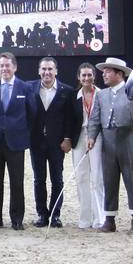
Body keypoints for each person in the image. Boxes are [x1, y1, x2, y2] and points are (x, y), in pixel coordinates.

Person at [85, 57, 133, 235]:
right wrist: (91, 136)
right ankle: (109, 220)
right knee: (109, 180)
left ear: (119, 73)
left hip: (127, 140)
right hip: (107, 143)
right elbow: (94, 119)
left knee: (131, 179)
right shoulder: (101, 95)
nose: (104, 74)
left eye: (108, 71)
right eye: (104, 71)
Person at [27, 57, 79, 228]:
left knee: (57, 180)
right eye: (44, 69)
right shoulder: (29, 88)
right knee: (38, 180)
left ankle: (55, 215)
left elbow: (70, 118)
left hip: (58, 144)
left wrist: (67, 138)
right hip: (36, 142)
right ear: (38, 71)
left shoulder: (67, 91)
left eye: (50, 69)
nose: (47, 72)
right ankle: (42, 214)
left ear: (56, 71)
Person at [0, 51, 31, 230]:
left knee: (17, 182)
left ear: (15, 67)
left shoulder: (25, 88)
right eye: (1, 65)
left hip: (16, 142)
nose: (5, 68)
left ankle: (17, 219)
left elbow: (31, 114)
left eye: (8, 65)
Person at [72, 63, 105, 230]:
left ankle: (100, 218)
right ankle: (85, 218)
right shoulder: (74, 96)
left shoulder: (102, 95)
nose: (86, 78)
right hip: (79, 139)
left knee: (97, 178)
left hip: (97, 138)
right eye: (83, 75)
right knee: (81, 177)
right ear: (79, 77)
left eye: (89, 75)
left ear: (94, 76)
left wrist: (94, 136)